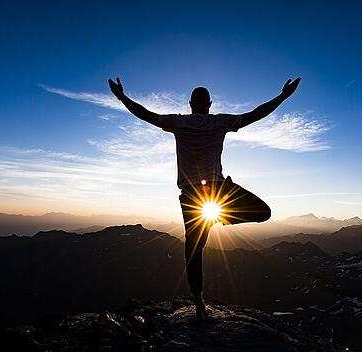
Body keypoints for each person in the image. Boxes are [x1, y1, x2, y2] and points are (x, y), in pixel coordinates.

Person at [108, 76, 301, 322]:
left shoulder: (178, 122)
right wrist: (283, 96)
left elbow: (145, 114)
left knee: (193, 249)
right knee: (263, 212)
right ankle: (219, 217)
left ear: (190, 103)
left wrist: (122, 97)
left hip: (190, 195)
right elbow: (255, 114)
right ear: (209, 104)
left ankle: (199, 302)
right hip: (219, 190)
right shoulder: (220, 121)